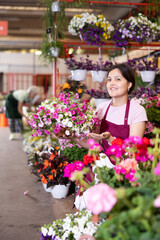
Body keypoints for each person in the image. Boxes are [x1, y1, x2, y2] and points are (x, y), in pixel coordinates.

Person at [71, 63, 148, 152]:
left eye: (118, 79)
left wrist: (110, 139)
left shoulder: (137, 111)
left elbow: (133, 150)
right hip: (103, 164)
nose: (112, 83)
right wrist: (73, 137)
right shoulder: (102, 108)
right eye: (109, 80)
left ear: (129, 84)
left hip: (125, 164)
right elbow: (95, 145)